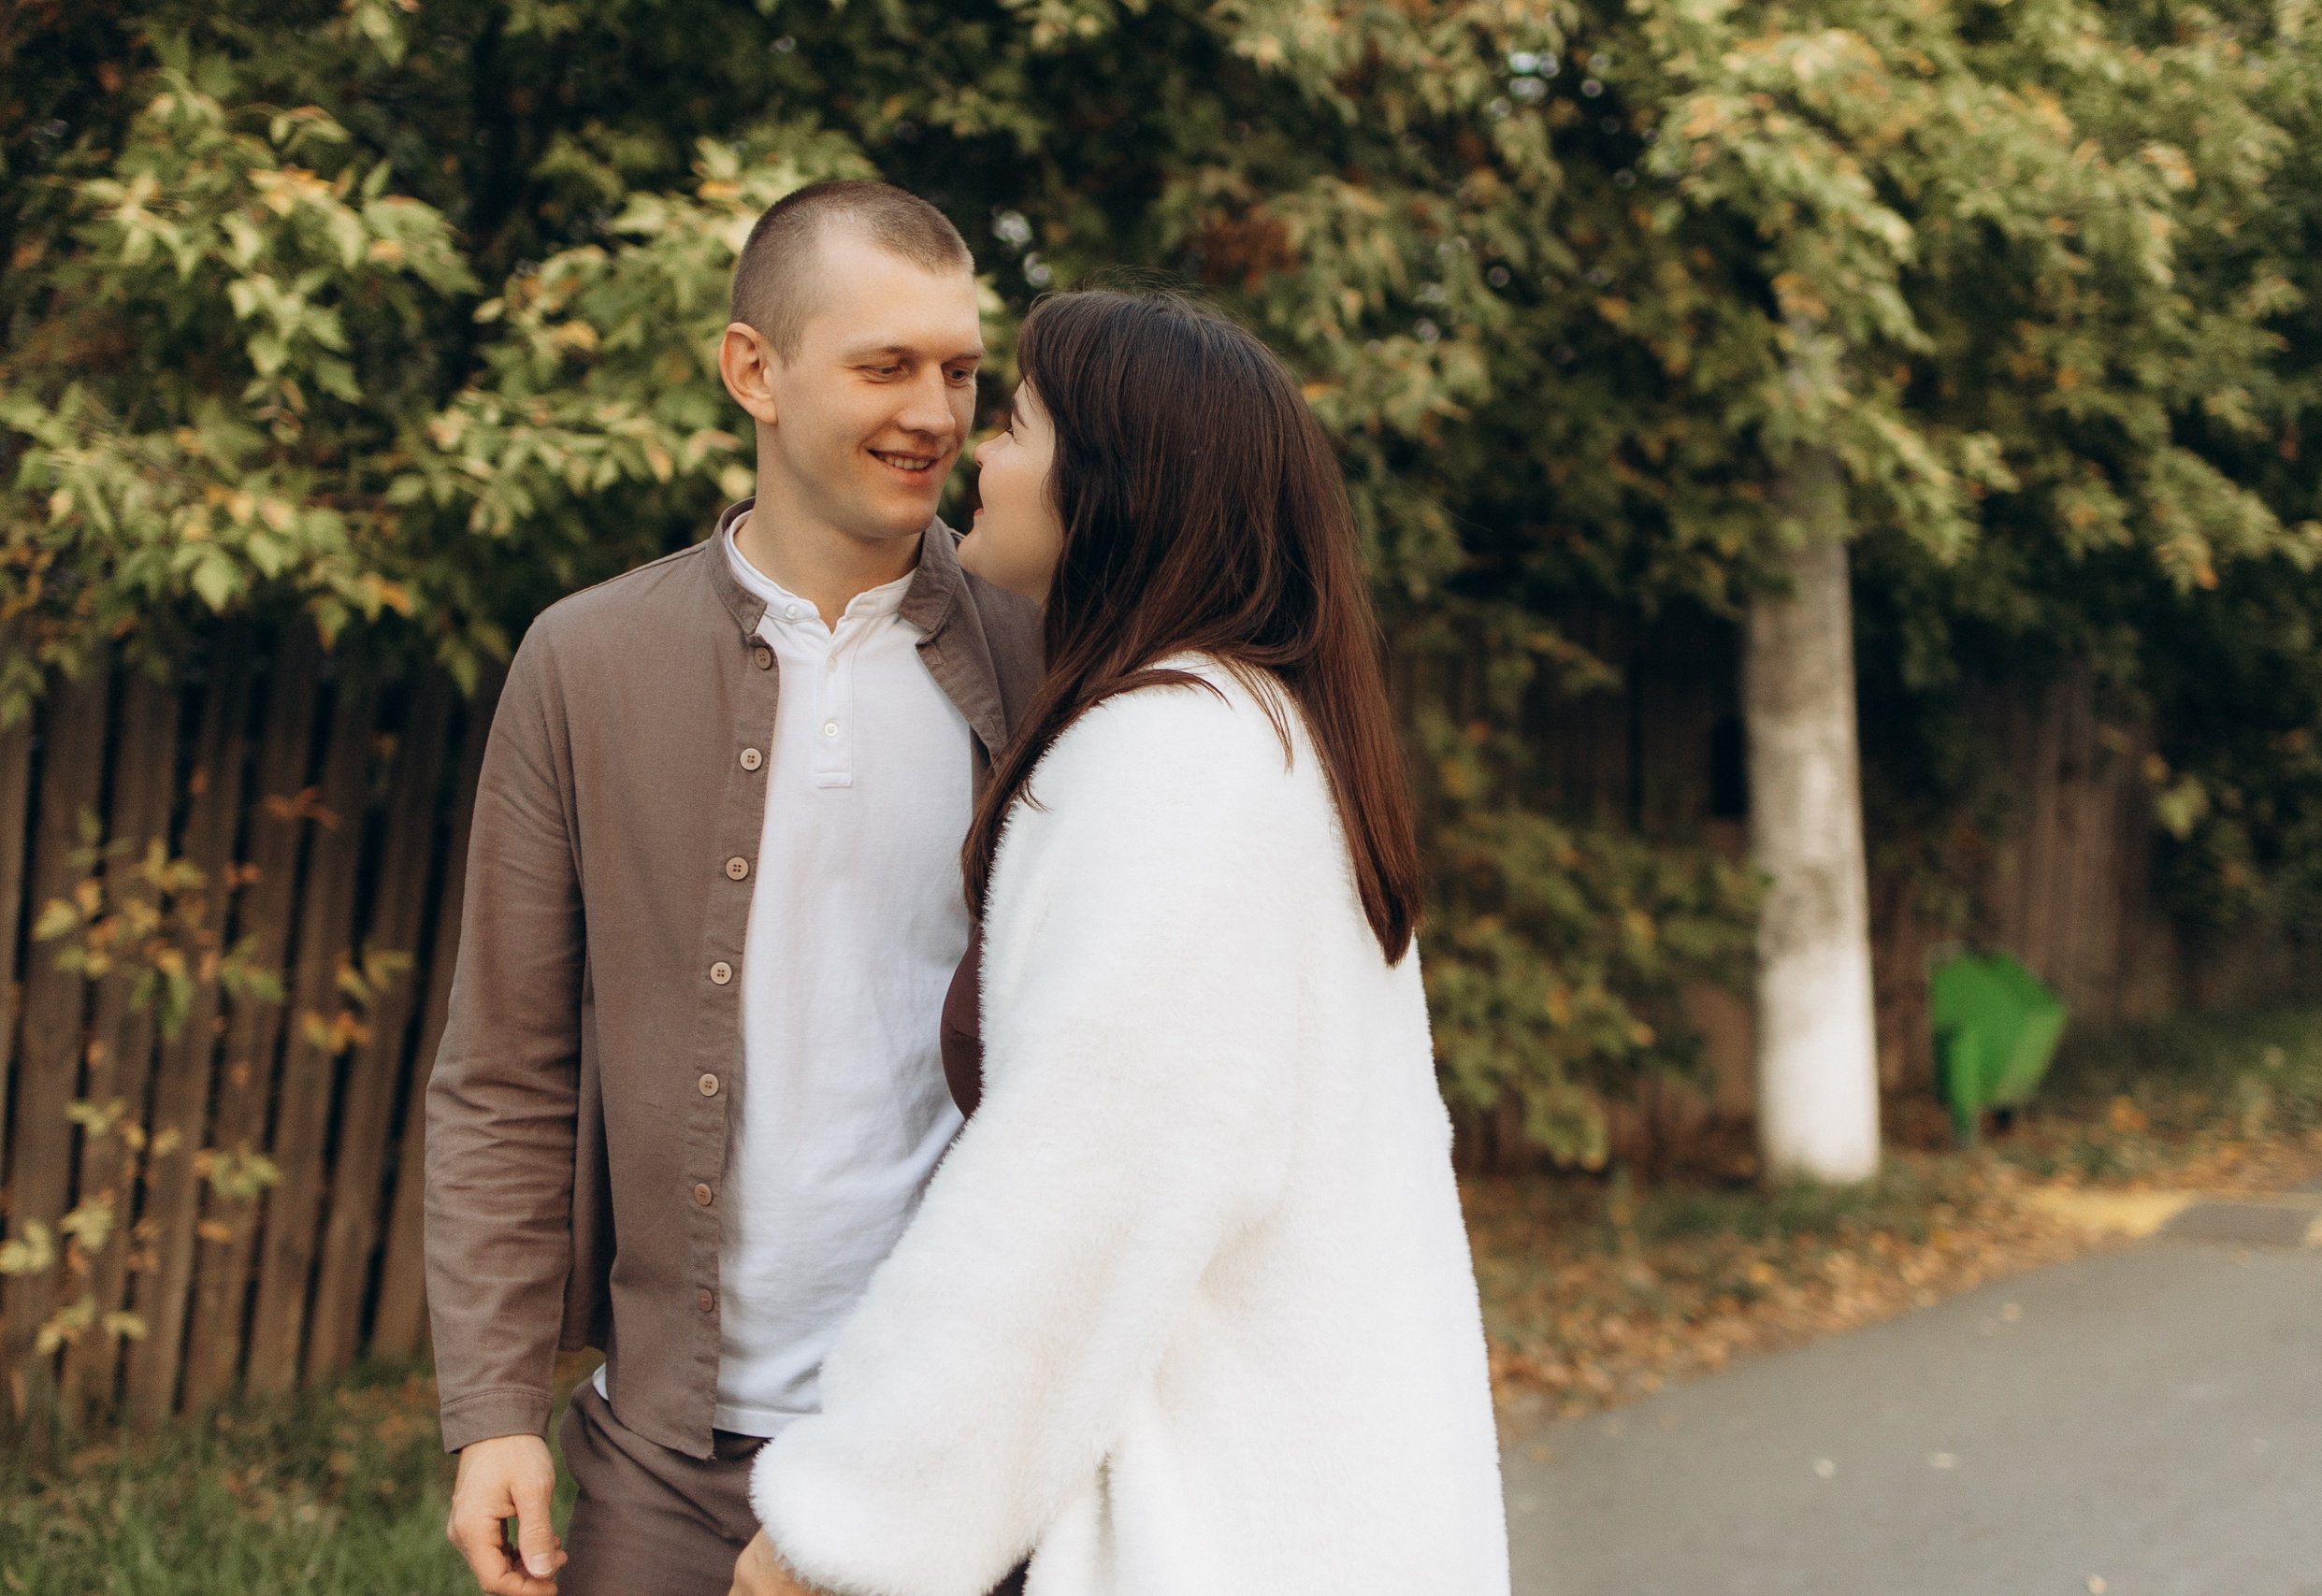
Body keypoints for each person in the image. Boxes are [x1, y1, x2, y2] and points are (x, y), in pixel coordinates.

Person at [727, 289, 1511, 1596]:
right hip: (1311, 1507)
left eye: (1018, 421)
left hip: (1219, 1528)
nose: (979, 450)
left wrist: (848, 1527)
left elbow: (1075, 1194)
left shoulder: (1170, 761)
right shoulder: (1252, 737)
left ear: (1111, 484)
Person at [422, 180, 1043, 1596]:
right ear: (752, 370)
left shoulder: (1046, 655)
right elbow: (507, 1070)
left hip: (959, 1443)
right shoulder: (584, 662)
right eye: (886, 366)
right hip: (667, 1450)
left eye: (960, 371)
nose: (936, 414)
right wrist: (497, 1408)